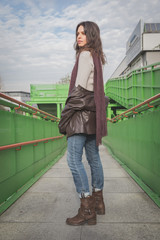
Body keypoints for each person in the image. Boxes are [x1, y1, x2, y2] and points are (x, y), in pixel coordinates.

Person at [58, 21, 108, 226]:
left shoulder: (85, 55)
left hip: (80, 116)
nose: (79, 37)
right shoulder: (96, 56)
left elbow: (78, 91)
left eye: (83, 33)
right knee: (93, 157)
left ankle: (86, 209)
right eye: (77, 33)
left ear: (91, 35)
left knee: (73, 160)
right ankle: (98, 202)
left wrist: (65, 116)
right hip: (93, 115)